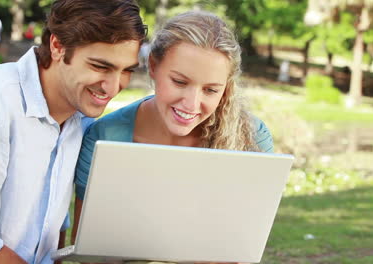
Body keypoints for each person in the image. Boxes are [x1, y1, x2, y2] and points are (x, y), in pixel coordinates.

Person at [0, 0, 146, 263]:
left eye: (127, 71)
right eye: (101, 67)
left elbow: (51, 230)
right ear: (57, 46)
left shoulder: (80, 119)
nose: (113, 87)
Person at [71, 10, 273, 264]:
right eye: (179, 82)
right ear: (153, 66)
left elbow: (242, 252)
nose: (191, 103)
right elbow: (90, 254)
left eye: (210, 90)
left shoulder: (251, 137)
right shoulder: (105, 137)